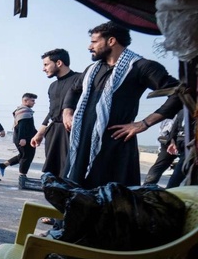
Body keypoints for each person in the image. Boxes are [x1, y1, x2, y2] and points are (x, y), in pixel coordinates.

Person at [62, 21, 182, 188]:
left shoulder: (142, 67)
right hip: (82, 143)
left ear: (111, 41)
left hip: (114, 145)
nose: (90, 47)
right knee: (74, 196)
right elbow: (73, 90)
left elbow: (179, 93)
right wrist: (67, 112)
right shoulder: (92, 70)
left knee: (109, 201)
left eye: (94, 42)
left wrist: (143, 123)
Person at [30, 49, 80, 176]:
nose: (43, 68)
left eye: (46, 64)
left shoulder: (80, 79)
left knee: (70, 172)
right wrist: (40, 133)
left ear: (58, 63)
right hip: (53, 133)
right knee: (52, 174)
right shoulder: (52, 86)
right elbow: (52, 112)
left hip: (72, 131)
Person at [0, 93, 38, 189]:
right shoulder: (24, 111)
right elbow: (22, 126)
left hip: (27, 138)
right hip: (23, 138)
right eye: (32, 100)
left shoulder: (25, 111)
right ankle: (22, 177)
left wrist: (38, 134)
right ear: (25, 101)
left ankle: (3, 165)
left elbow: (30, 127)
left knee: (23, 155)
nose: (34, 103)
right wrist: (22, 138)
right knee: (26, 157)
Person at [143, 117, 177, 185]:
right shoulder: (178, 112)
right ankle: (148, 186)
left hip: (170, 139)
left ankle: (147, 186)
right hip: (171, 140)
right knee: (161, 165)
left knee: (160, 165)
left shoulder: (172, 113)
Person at [166, 109, 188, 189]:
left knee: (182, 168)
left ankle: (170, 190)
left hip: (181, 140)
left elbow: (174, 127)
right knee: (182, 169)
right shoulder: (189, 107)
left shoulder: (182, 109)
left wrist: (172, 141)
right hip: (189, 142)